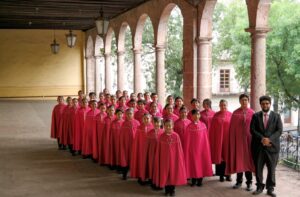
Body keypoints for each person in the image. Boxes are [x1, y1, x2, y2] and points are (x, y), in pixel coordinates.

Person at [250, 96, 282, 197]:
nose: (265, 105)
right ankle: (259, 187)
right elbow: (252, 130)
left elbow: (279, 130)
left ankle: (270, 188)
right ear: (260, 104)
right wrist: (262, 139)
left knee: (271, 169)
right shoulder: (255, 116)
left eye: (267, 103)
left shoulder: (276, 116)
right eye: (263, 103)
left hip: (272, 148)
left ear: (270, 104)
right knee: (258, 168)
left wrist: (270, 139)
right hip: (258, 147)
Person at [226, 94, 255, 191]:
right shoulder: (235, 113)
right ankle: (239, 181)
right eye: (242, 100)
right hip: (238, 142)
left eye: (246, 100)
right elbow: (232, 129)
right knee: (239, 161)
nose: (244, 102)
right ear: (239, 101)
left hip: (249, 141)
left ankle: (249, 183)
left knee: (248, 162)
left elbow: (255, 127)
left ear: (248, 101)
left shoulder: (252, 113)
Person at [153, 119, 187, 196]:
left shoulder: (176, 136)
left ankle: (172, 190)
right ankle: (167, 190)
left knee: (173, 174)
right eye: (166, 125)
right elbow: (159, 150)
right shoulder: (161, 136)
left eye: (170, 125)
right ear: (164, 126)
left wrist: (179, 158)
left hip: (174, 159)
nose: (168, 127)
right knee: (165, 174)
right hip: (164, 159)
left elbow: (179, 149)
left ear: (173, 126)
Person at [183, 109, 213, 187]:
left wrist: (205, 148)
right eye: (195, 114)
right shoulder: (189, 126)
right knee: (193, 164)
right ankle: (193, 180)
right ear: (191, 116)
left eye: (198, 114)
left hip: (202, 148)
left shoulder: (203, 125)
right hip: (192, 149)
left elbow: (205, 138)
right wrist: (188, 149)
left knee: (201, 164)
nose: (197, 116)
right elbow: (187, 140)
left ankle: (200, 180)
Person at [209, 100, 232, 182]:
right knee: (219, 157)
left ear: (227, 105)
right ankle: (221, 175)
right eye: (221, 105)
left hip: (228, 139)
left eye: (225, 105)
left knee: (228, 157)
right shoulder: (216, 115)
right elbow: (212, 129)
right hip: (218, 140)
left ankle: (228, 175)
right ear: (219, 105)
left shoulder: (231, 115)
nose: (223, 106)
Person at [130, 113, 153, 185]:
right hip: (141, 149)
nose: (146, 120)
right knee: (141, 162)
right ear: (142, 119)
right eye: (145, 118)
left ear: (150, 119)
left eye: (148, 118)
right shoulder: (139, 128)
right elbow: (137, 140)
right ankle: (141, 177)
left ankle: (150, 177)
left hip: (150, 149)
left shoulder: (152, 127)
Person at [119, 108, 140, 180]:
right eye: (127, 114)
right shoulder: (123, 123)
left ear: (133, 114)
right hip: (126, 144)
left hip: (134, 144)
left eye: (130, 114)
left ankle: (136, 173)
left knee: (134, 158)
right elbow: (122, 135)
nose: (129, 115)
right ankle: (124, 174)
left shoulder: (137, 123)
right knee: (125, 158)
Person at [146, 116, 164, 189]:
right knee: (152, 166)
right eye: (155, 122)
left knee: (160, 167)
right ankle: (153, 181)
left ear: (161, 123)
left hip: (161, 154)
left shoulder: (163, 132)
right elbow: (147, 144)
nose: (156, 124)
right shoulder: (149, 132)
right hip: (152, 153)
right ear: (152, 123)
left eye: (158, 122)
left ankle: (160, 182)